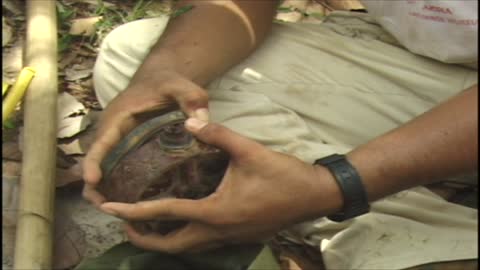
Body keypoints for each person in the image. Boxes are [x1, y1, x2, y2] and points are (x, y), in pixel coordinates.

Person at [82, 1, 478, 269]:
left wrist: (335, 184)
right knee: (140, 63)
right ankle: (424, 246)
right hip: (437, 71)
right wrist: (165, 70)